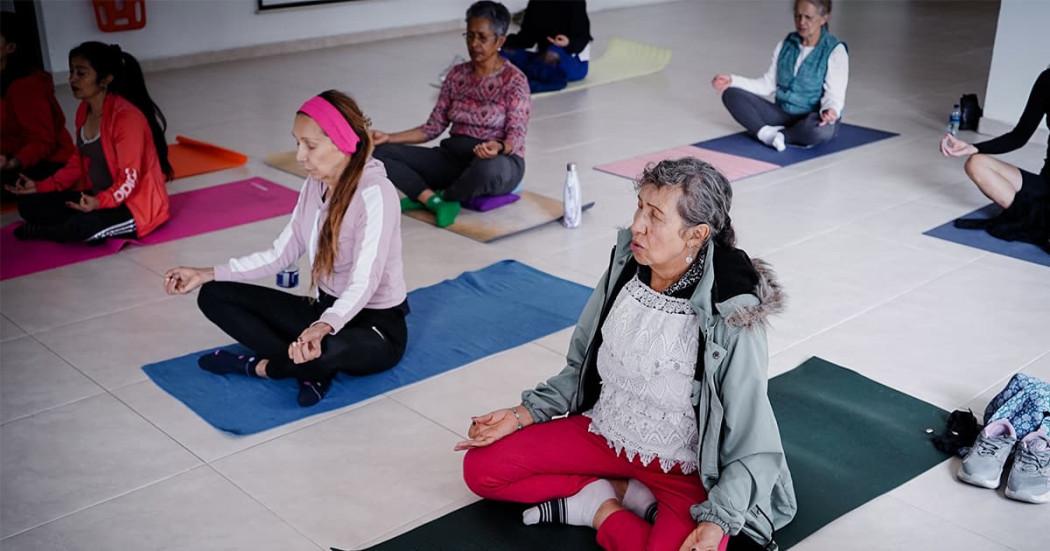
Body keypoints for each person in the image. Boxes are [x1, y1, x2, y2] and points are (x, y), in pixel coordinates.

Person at [457, 157, 796, 551]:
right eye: (640, 206)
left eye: (655, 216)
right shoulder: (627, 265)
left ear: (696, 234)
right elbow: (580, 365)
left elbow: (752, 438)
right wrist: (524, 413)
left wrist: (719, 519)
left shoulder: (732, 309)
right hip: (607, 434)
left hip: (684, 468)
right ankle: (607, 499)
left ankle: (615, 503)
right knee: (481, 468)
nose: (638, 225)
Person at [163, 90, 408, 408]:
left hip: (375, 326)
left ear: (342, 142)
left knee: (331, 348)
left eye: (310, 145)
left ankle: (263, 367)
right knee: (212, 294)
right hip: (322, 310)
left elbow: (366, 279)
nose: (300, 156)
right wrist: (207, 273)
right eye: (298, 143)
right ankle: (310, 368)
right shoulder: (314, 185)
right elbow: (282, 252)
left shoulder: (376, 193)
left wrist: (322, 328)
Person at [372, 1, 530, 228]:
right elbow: (433, 127)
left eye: (482, 38)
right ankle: (433, 199)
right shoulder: (457, 75)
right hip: (454, 158)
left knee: (487, 168)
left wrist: (497, 147)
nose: (474, 44)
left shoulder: (515, 81)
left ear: (500, 41)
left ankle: (445, 197)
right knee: (380, 153)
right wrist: (389, 137)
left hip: (499, 160)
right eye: (470, 36)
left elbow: (516, 137)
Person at [4, 42, 170, 243]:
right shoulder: (84, 110)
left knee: (83, 227)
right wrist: (42, 186)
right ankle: (66, 225)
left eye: (81, 73)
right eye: (72, 72)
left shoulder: (126, 119)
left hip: (135, 207)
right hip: (99, 195)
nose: (72, 79)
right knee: (30, 205)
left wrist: (99, 202)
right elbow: (78, 160)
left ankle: (50, 231)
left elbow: (129, 180)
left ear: (105, 79)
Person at [711, 0, 847, 151]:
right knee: (731, 94)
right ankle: (767, 134)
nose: (801, 22)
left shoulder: (835, 50)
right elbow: (767, 84)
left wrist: (830, 110)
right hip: (782, 114)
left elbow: (834, 95)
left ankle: (780, 135)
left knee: (821, 130)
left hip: (811, 118)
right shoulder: (786, 43)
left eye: (808, 17)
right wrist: (733, 80)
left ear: (824, 18)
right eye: (797, 16)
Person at [941, 69, 1050, 254]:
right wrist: (974, 147)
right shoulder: (1047, 80)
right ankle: (1039, 219)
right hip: (1048, 183)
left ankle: (1036, 218)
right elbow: (1019, 136)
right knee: (976, 163)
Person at [0, 13, 74, 187]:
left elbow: (42, 141)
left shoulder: (25, 86)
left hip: (46, 164)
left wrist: (12, 163)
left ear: (10, 47)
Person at [502, 0, 592, 93]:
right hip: (541, 59)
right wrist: (500, 42)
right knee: (506, 53)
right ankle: (527, 76)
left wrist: (568, 43)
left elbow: (583, 38)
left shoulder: (575, 2)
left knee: (552, 54)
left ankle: (529, 82)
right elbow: (526, 39)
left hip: (571, 59)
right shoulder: (536, 3)